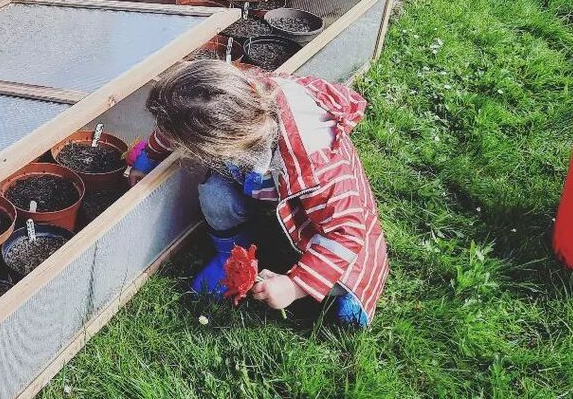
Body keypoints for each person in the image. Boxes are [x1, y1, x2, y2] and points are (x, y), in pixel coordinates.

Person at [127, 60, 387, 326]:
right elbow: (175, 125)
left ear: (220, 143)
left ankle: (348, 288)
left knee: (346, 287)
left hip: (335, 217)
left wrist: (293, 286)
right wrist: (149, 156)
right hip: (260, 172)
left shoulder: (316, 164)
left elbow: (345, 233)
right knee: (216, 194)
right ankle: (230, 255)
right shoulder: (226, 98)